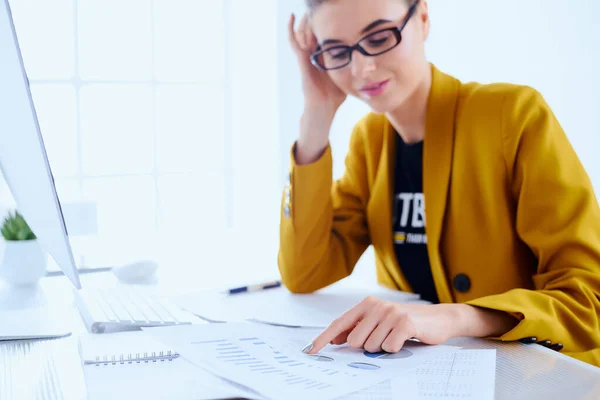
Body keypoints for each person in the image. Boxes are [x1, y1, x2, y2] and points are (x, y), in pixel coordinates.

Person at [277, 0, 600, 367]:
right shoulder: (370, 142)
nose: (362, 67)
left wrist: (456, 317)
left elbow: (588, 299)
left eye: (380, 36)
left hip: (547, 377)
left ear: (424, 19)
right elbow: (304, 272)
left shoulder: (512, 115)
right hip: (427, 379)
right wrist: (316, 113)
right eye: (337, 50)